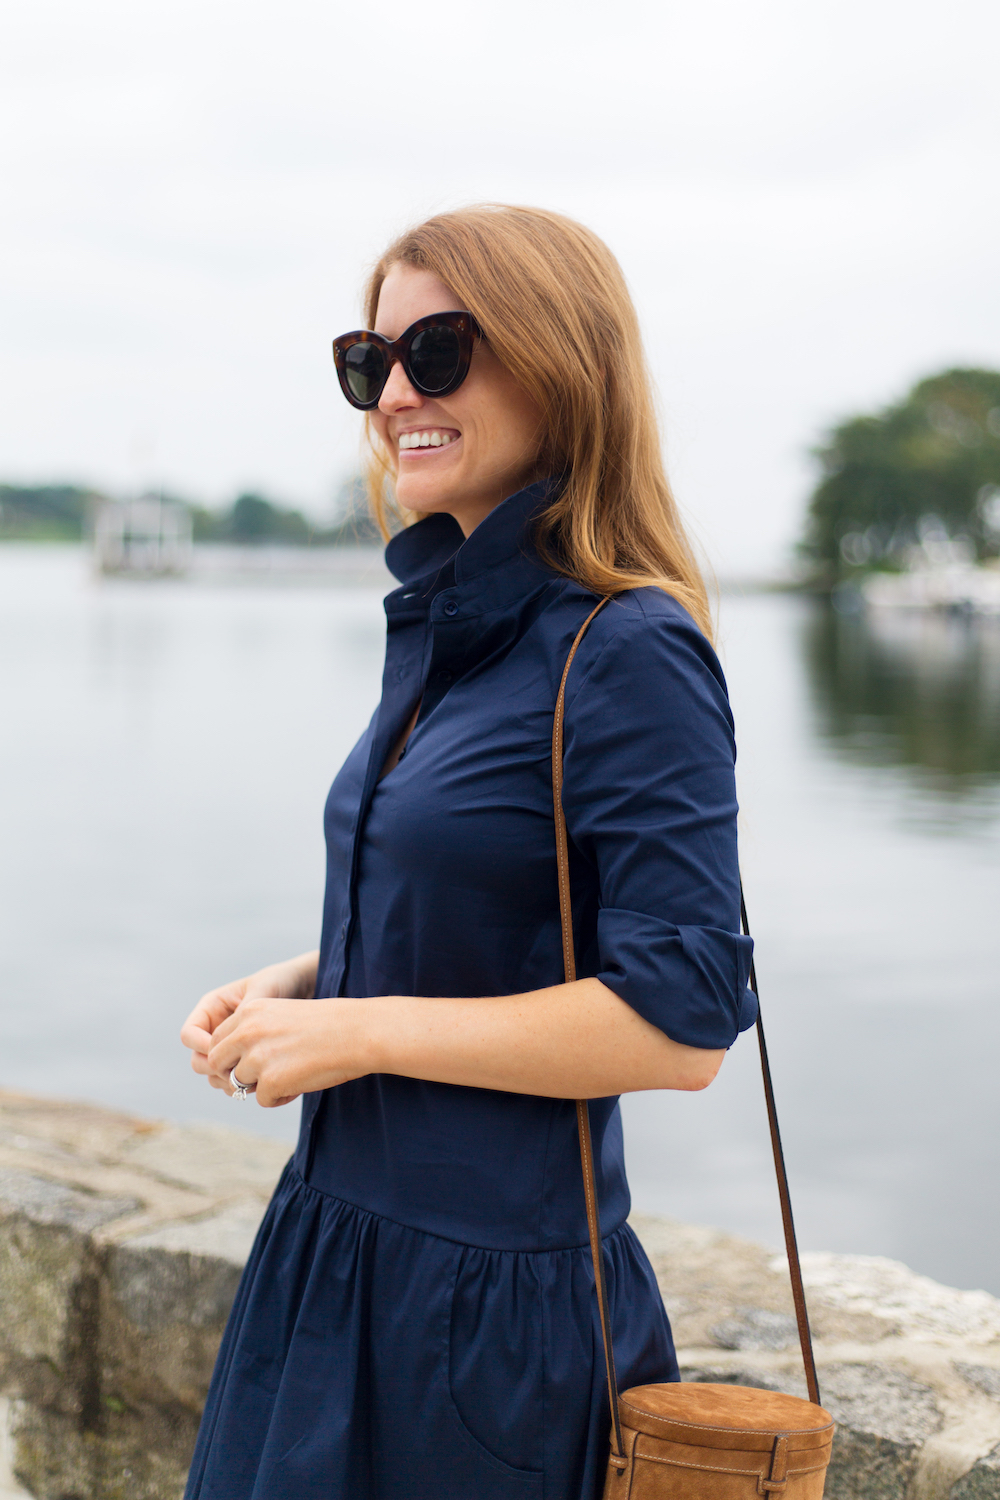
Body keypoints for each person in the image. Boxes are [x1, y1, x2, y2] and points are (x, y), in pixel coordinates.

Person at [180, 203, 756, 1500]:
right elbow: (483, 913)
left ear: (562, 364)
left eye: (437, 351)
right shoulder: (449, 625)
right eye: (370, 361)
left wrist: (360, 1031)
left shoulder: (628, 648)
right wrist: (306, 985)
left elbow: (683, 1025)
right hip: (332, 1257)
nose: (395, 395)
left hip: (490, 1331)